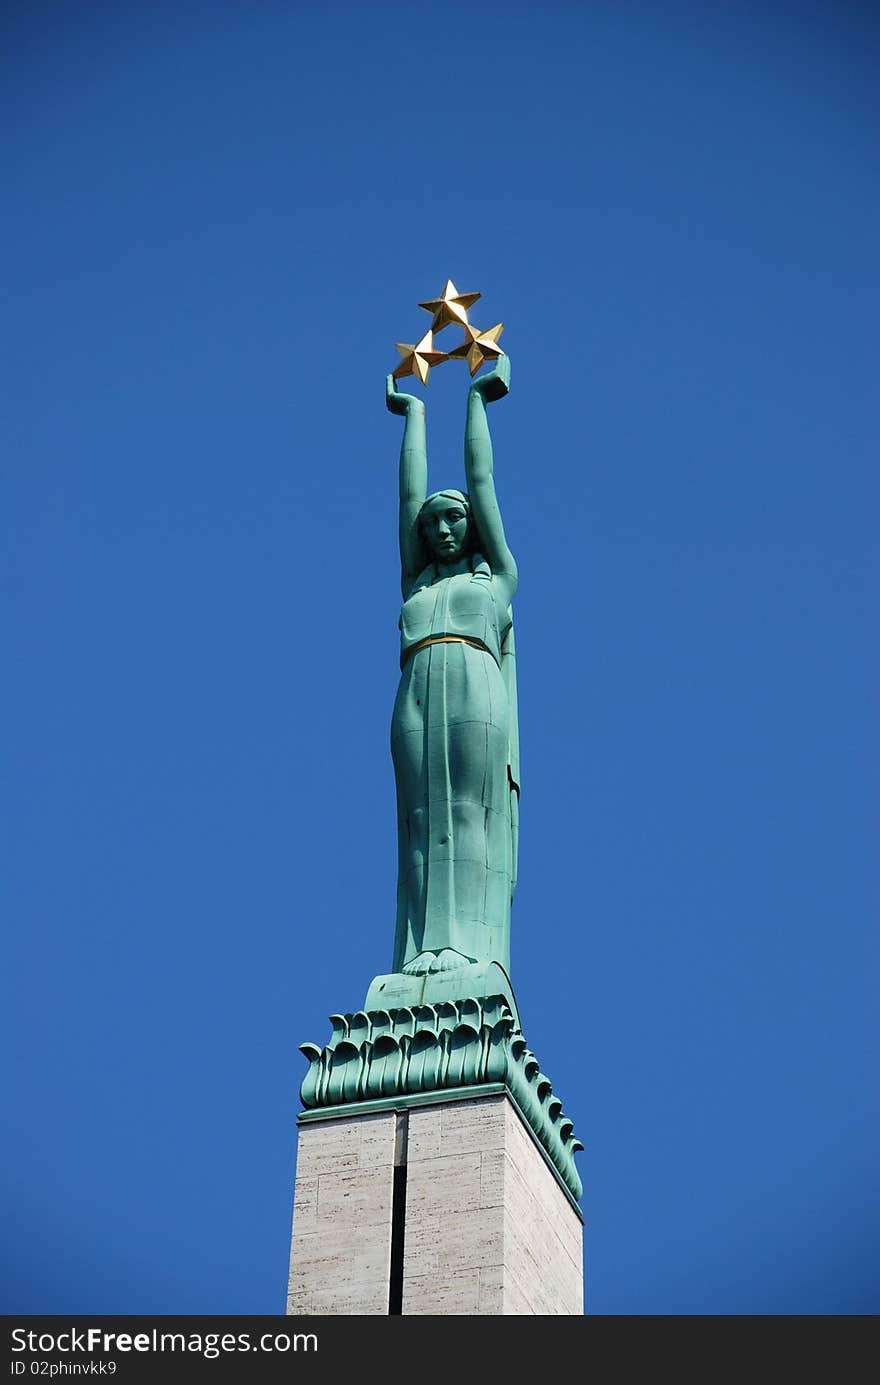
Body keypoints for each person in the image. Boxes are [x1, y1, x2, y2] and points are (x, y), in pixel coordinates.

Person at [385, 355, 520, 978]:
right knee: (418, 820)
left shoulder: (496, 579)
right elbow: (409, 494)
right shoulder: (416, 582)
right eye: (433, 521)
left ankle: (466, 944)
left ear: (471, 527)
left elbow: (483, 481)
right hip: (416, 687)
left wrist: (475, 401)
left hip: (473, 685)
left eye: (454, 518)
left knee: (466, 809)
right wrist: (412, 413)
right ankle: (422, 947)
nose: (441, 528)